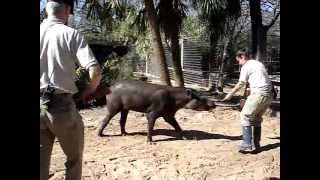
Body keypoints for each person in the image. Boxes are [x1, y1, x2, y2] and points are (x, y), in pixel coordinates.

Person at [40, 0, 102, 180]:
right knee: (73, 159)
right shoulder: (71, 34)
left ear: (46, 11)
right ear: (67, 11)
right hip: (61, 106)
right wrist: (88, 91)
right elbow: (95, 71)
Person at [222, 49, 272, 153]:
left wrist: (230, 94)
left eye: (238, 61)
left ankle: (247, 144)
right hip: (269, 95)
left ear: (242, 57)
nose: (238, 63)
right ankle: (256, 143)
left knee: (245, 116)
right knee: (257, 118)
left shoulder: (246, 66)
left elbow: (241, 83)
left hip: (259, 93)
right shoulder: (258, 63)